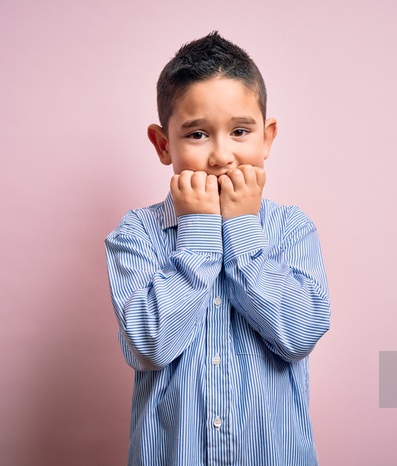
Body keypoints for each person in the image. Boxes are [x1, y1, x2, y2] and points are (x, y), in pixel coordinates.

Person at [105, 31, 331, 466]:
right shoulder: (136, 234)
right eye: (197, 135)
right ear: (162, 144)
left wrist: (243, 230)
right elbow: (148, 346)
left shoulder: (291, 229)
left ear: (267, 139)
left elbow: (300, 335)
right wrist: (198, 233)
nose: (221, 155)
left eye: (241, 131)